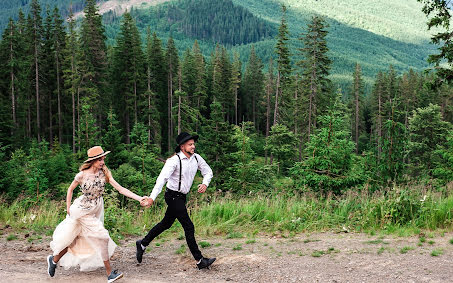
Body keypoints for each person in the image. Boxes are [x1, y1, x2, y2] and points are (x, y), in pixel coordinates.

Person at [46, 146, 146, 283]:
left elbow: (120, 189)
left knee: (76, 240)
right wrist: (68, 207)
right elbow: (70, 189)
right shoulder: (82, 175)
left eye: (103, 159)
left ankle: (54, 259)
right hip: (82, 210)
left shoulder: (105, 173)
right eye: (99, 159)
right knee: (103, 237)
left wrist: (139, 198)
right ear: (92, 161)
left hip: (95, 209)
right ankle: (110, 274)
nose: (102, 162)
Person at [137, 132, 216, 270]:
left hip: (182, 197)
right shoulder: (174, 161)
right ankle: (199, 260)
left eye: (193, 144)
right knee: (189, 226)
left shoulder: (196, 158)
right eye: (190, 144)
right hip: (172, 196)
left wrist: (205, 183)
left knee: (166, 223)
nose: (193, 146)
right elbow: (161, 180)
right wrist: (152, 198)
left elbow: (208, 171)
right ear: (182, 146)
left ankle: (142, 243)